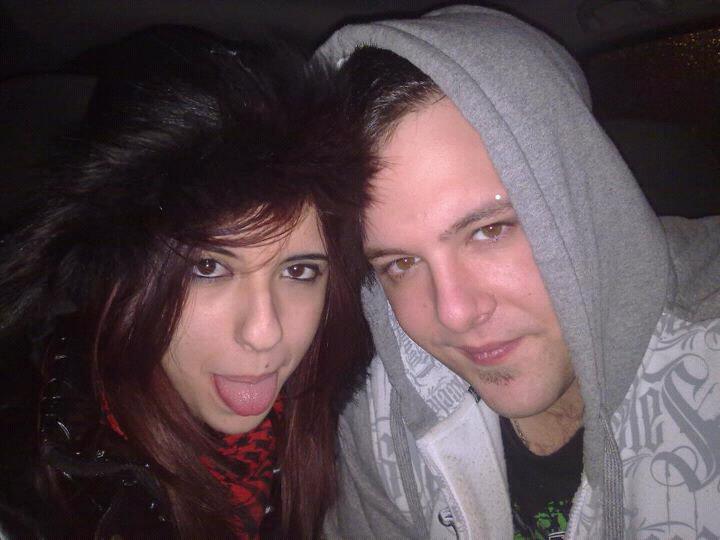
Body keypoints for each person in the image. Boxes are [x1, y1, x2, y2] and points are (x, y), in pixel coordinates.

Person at [318, 6, 720, 539]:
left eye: (490, 230)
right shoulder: (378, 411)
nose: (454, 313)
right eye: (401, 263)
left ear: (584, 187)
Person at [0, 27, 373, 539]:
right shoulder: (34, 489)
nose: (265, 332)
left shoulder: (335, 418)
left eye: (298, 271)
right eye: (208, 268)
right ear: (120, 277)